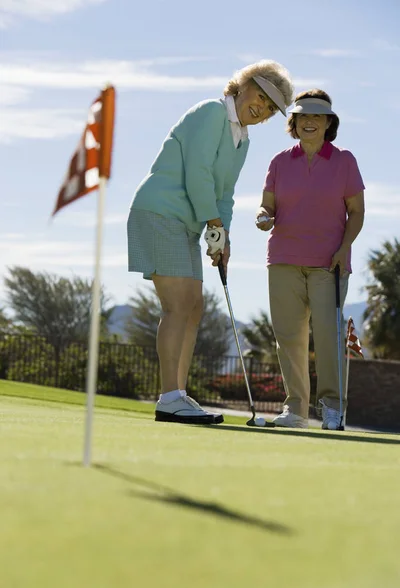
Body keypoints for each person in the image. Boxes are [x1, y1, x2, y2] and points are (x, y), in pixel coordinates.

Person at [128, 60, 294, 425]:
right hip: (160, 211)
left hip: (185, 222)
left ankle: (178, 394)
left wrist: (223, 238)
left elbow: (224, 196)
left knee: (195, 307)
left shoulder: (242, 141)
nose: (261, 108)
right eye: (260, 96)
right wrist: (214, 225)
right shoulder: (211, 113)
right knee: (178, 304)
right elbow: (198, 174)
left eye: (270, 108)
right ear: (243, 84)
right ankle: (169, 397)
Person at [256, 89, 365, 429]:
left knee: (329, 337)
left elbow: (357, 212)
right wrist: (263, 216)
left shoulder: (344, 161)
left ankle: (332, 406)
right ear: (294, 121)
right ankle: (296, 409)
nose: (309, 122)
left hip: (328, 264)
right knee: (289, 336)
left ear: (328, 123)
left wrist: (343, 249)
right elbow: (267, 206)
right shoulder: (279, 162)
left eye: (317, 116)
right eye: (303, 116)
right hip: (284, 258)